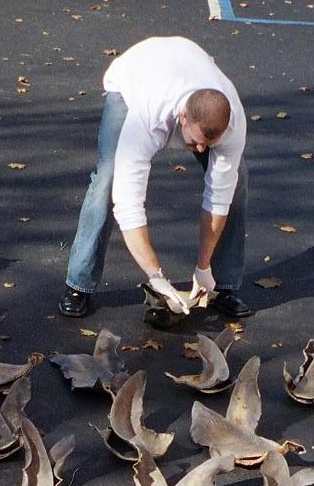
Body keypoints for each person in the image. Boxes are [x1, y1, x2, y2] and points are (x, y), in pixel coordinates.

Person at [58, 36, 251, 327]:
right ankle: (79, 283)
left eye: (208, 145)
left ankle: (221, 285)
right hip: (132, 81)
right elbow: (128, 204)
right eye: (197, 143)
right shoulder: (148, 115)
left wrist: (202, 266)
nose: (201, 151)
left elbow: (219, 198)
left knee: (236, 181)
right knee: (108, 179)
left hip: (184, 64)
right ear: (183, 117)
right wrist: (156, 277)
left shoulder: (233, 124)